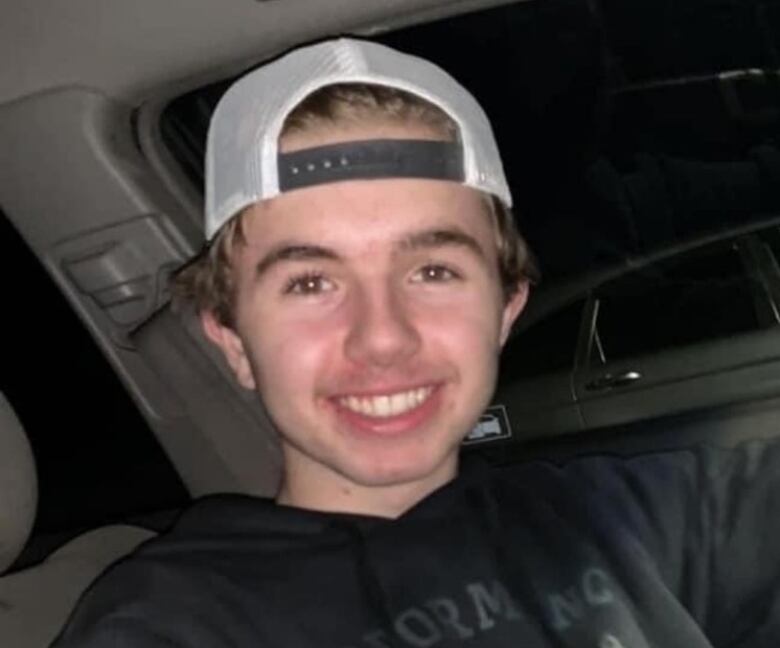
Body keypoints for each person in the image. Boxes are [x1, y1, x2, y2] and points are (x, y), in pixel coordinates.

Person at [53, 38, 780, 648]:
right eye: (310, 282)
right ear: (232, 339)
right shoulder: (169, 622)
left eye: (433, 270)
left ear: (505, 310)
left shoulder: (642, 519)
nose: (382, 339)